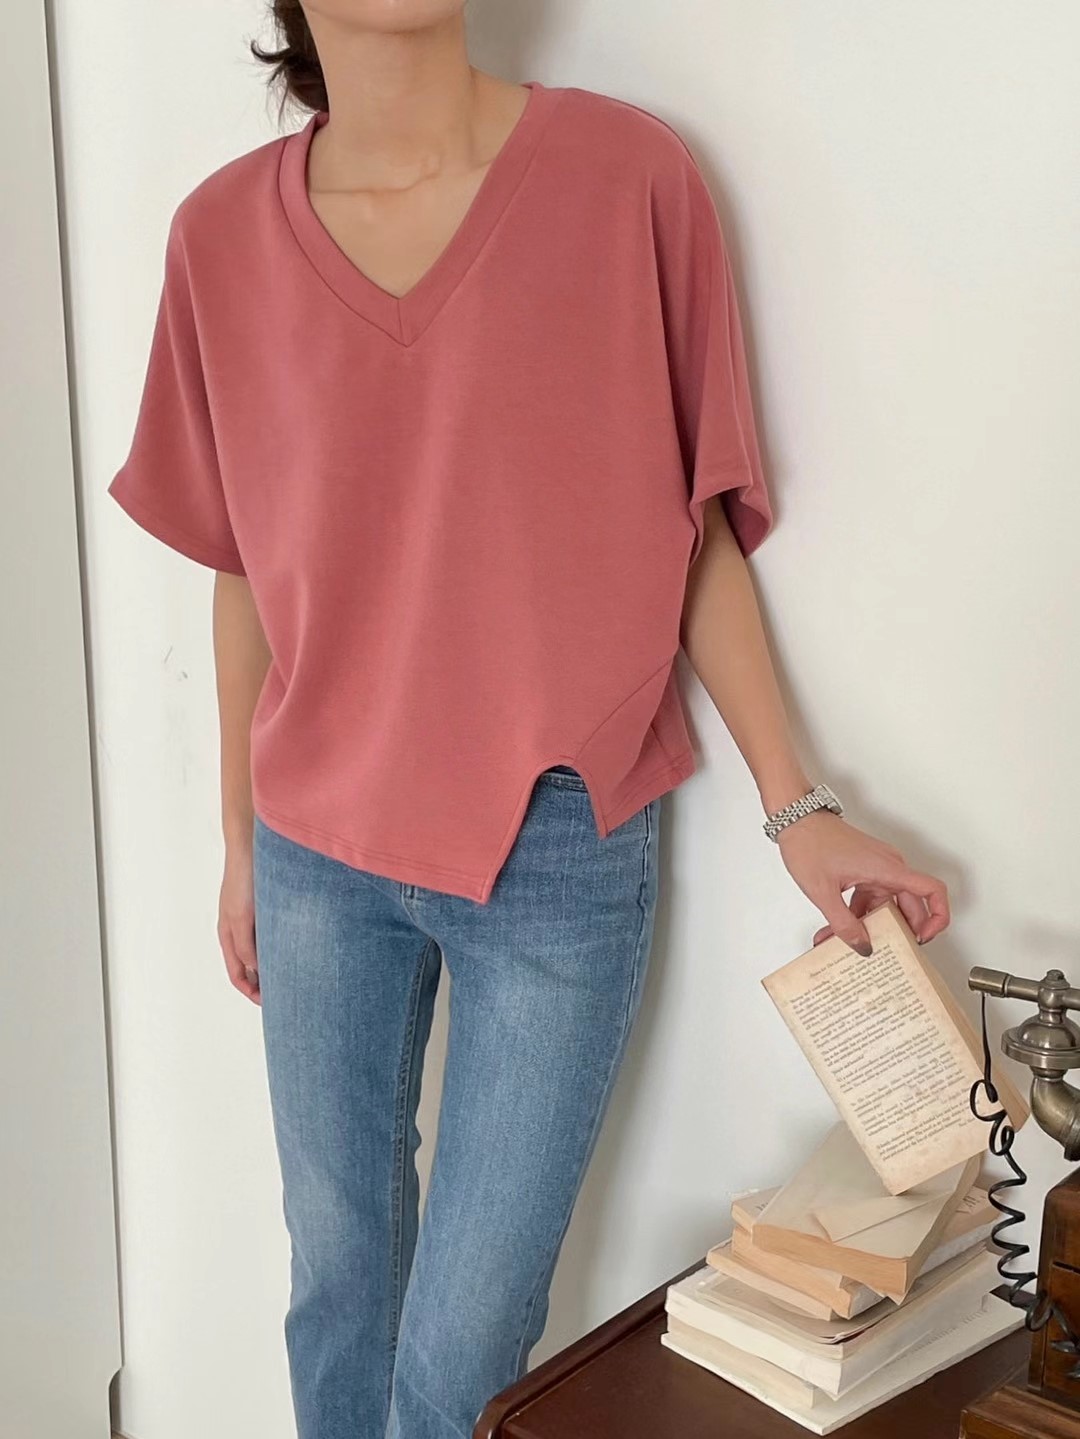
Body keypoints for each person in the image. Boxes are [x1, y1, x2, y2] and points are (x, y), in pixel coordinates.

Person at [106, 3, 951, 1435]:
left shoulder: (628, 178)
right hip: (316, 850)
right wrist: (241, 844)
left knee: (462, 1359)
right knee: (335, 1286)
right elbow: (242, 564)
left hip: (555, 847)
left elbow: (689, 529)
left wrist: (798, 808)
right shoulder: (219, 239)